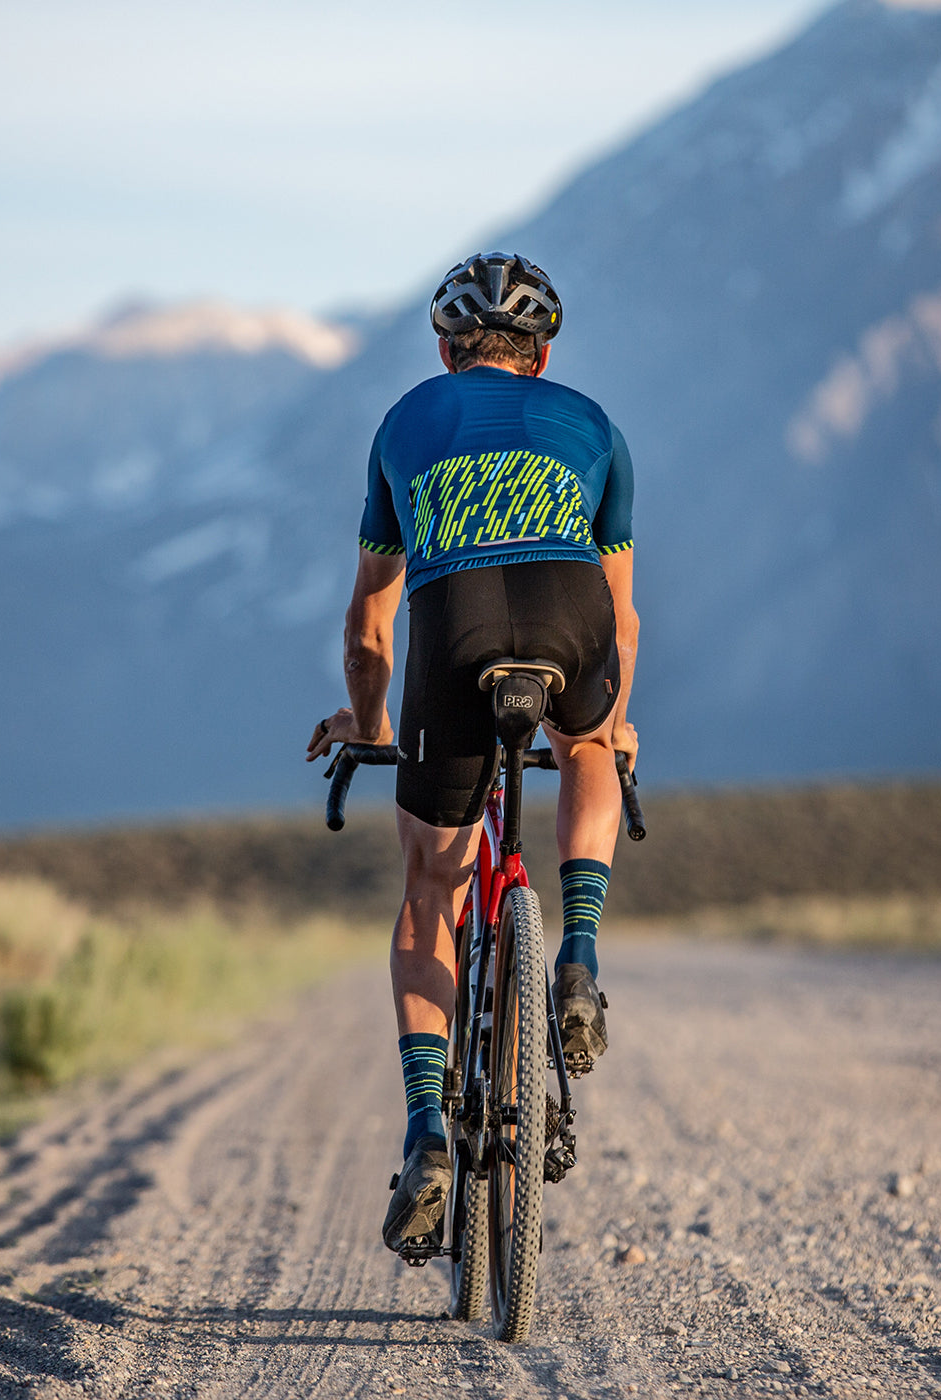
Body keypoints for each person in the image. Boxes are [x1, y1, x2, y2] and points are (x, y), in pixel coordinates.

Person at [305, 251, 639, 1254]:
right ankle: (576, 946)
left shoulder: (404, 421)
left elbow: (369, 623)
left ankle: (425, 1131)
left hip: (448, 627)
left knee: (428, 890)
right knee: (583, 747)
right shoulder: (594, 426)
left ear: (448, 350)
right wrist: (610, 727)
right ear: (540, 358)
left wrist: (368, 726)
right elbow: (619, 619)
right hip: (568, 612)